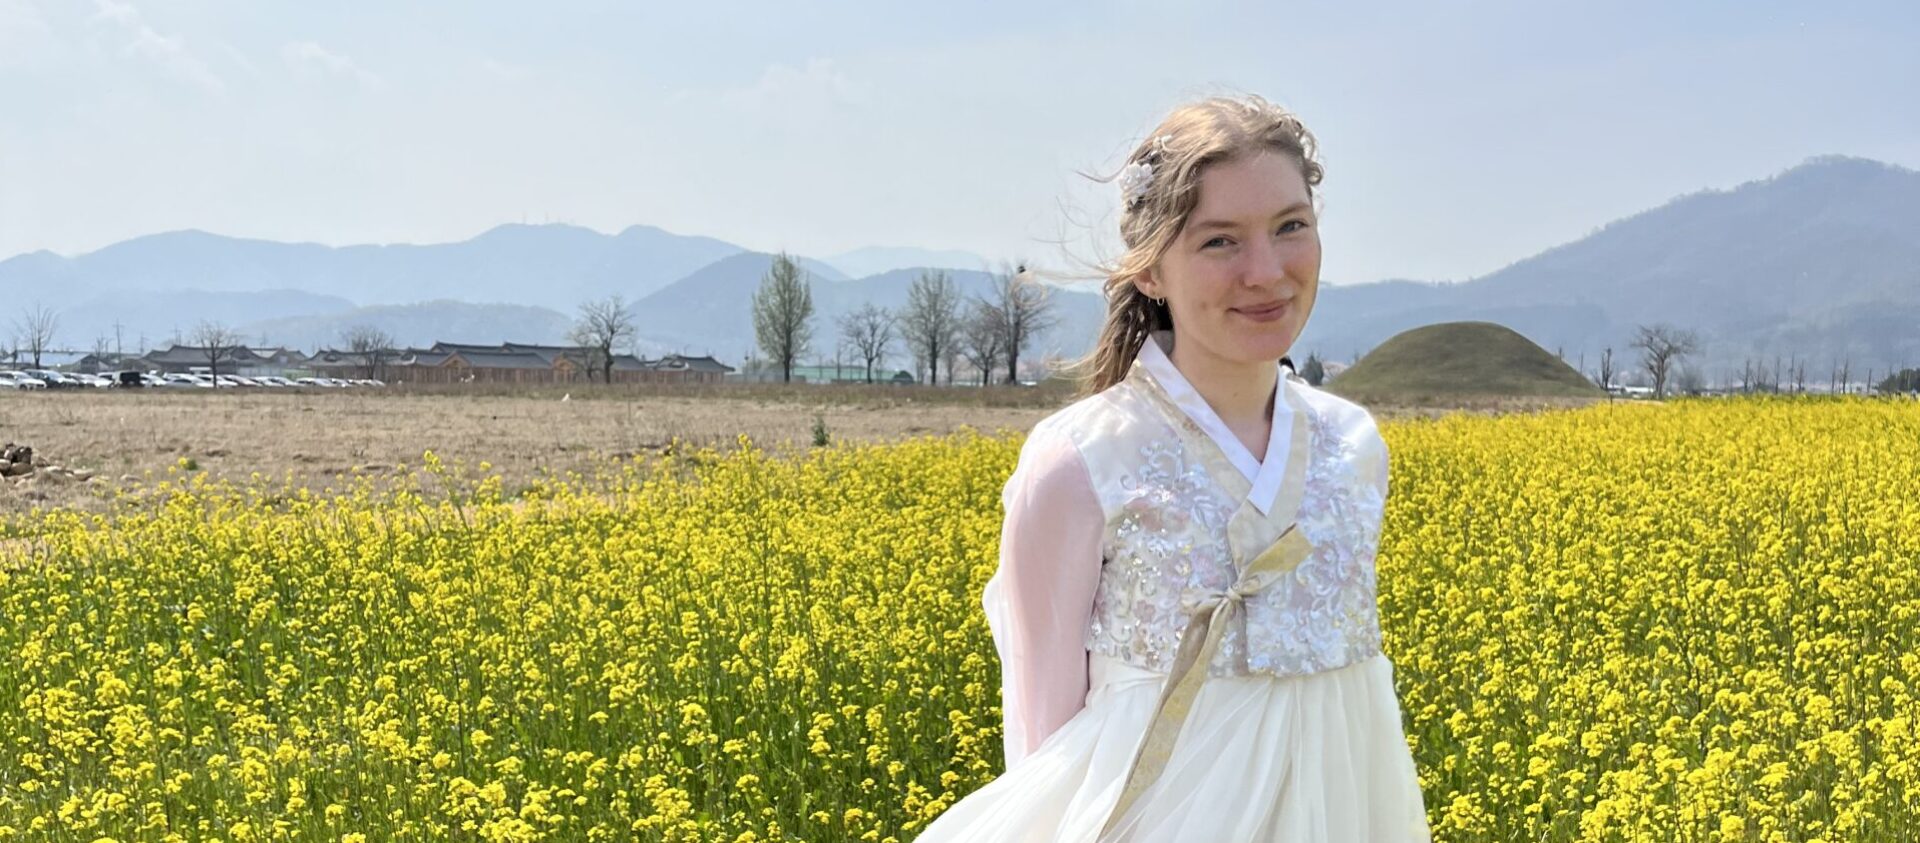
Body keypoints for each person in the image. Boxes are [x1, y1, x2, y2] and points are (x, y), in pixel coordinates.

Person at [913, 94, 1432, 841]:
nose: (1267, 271)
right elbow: (1039, 740)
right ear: (1152, 269)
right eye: (1220, 241)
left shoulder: (1355, 446)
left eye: (1291, 227)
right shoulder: (1081, 460)